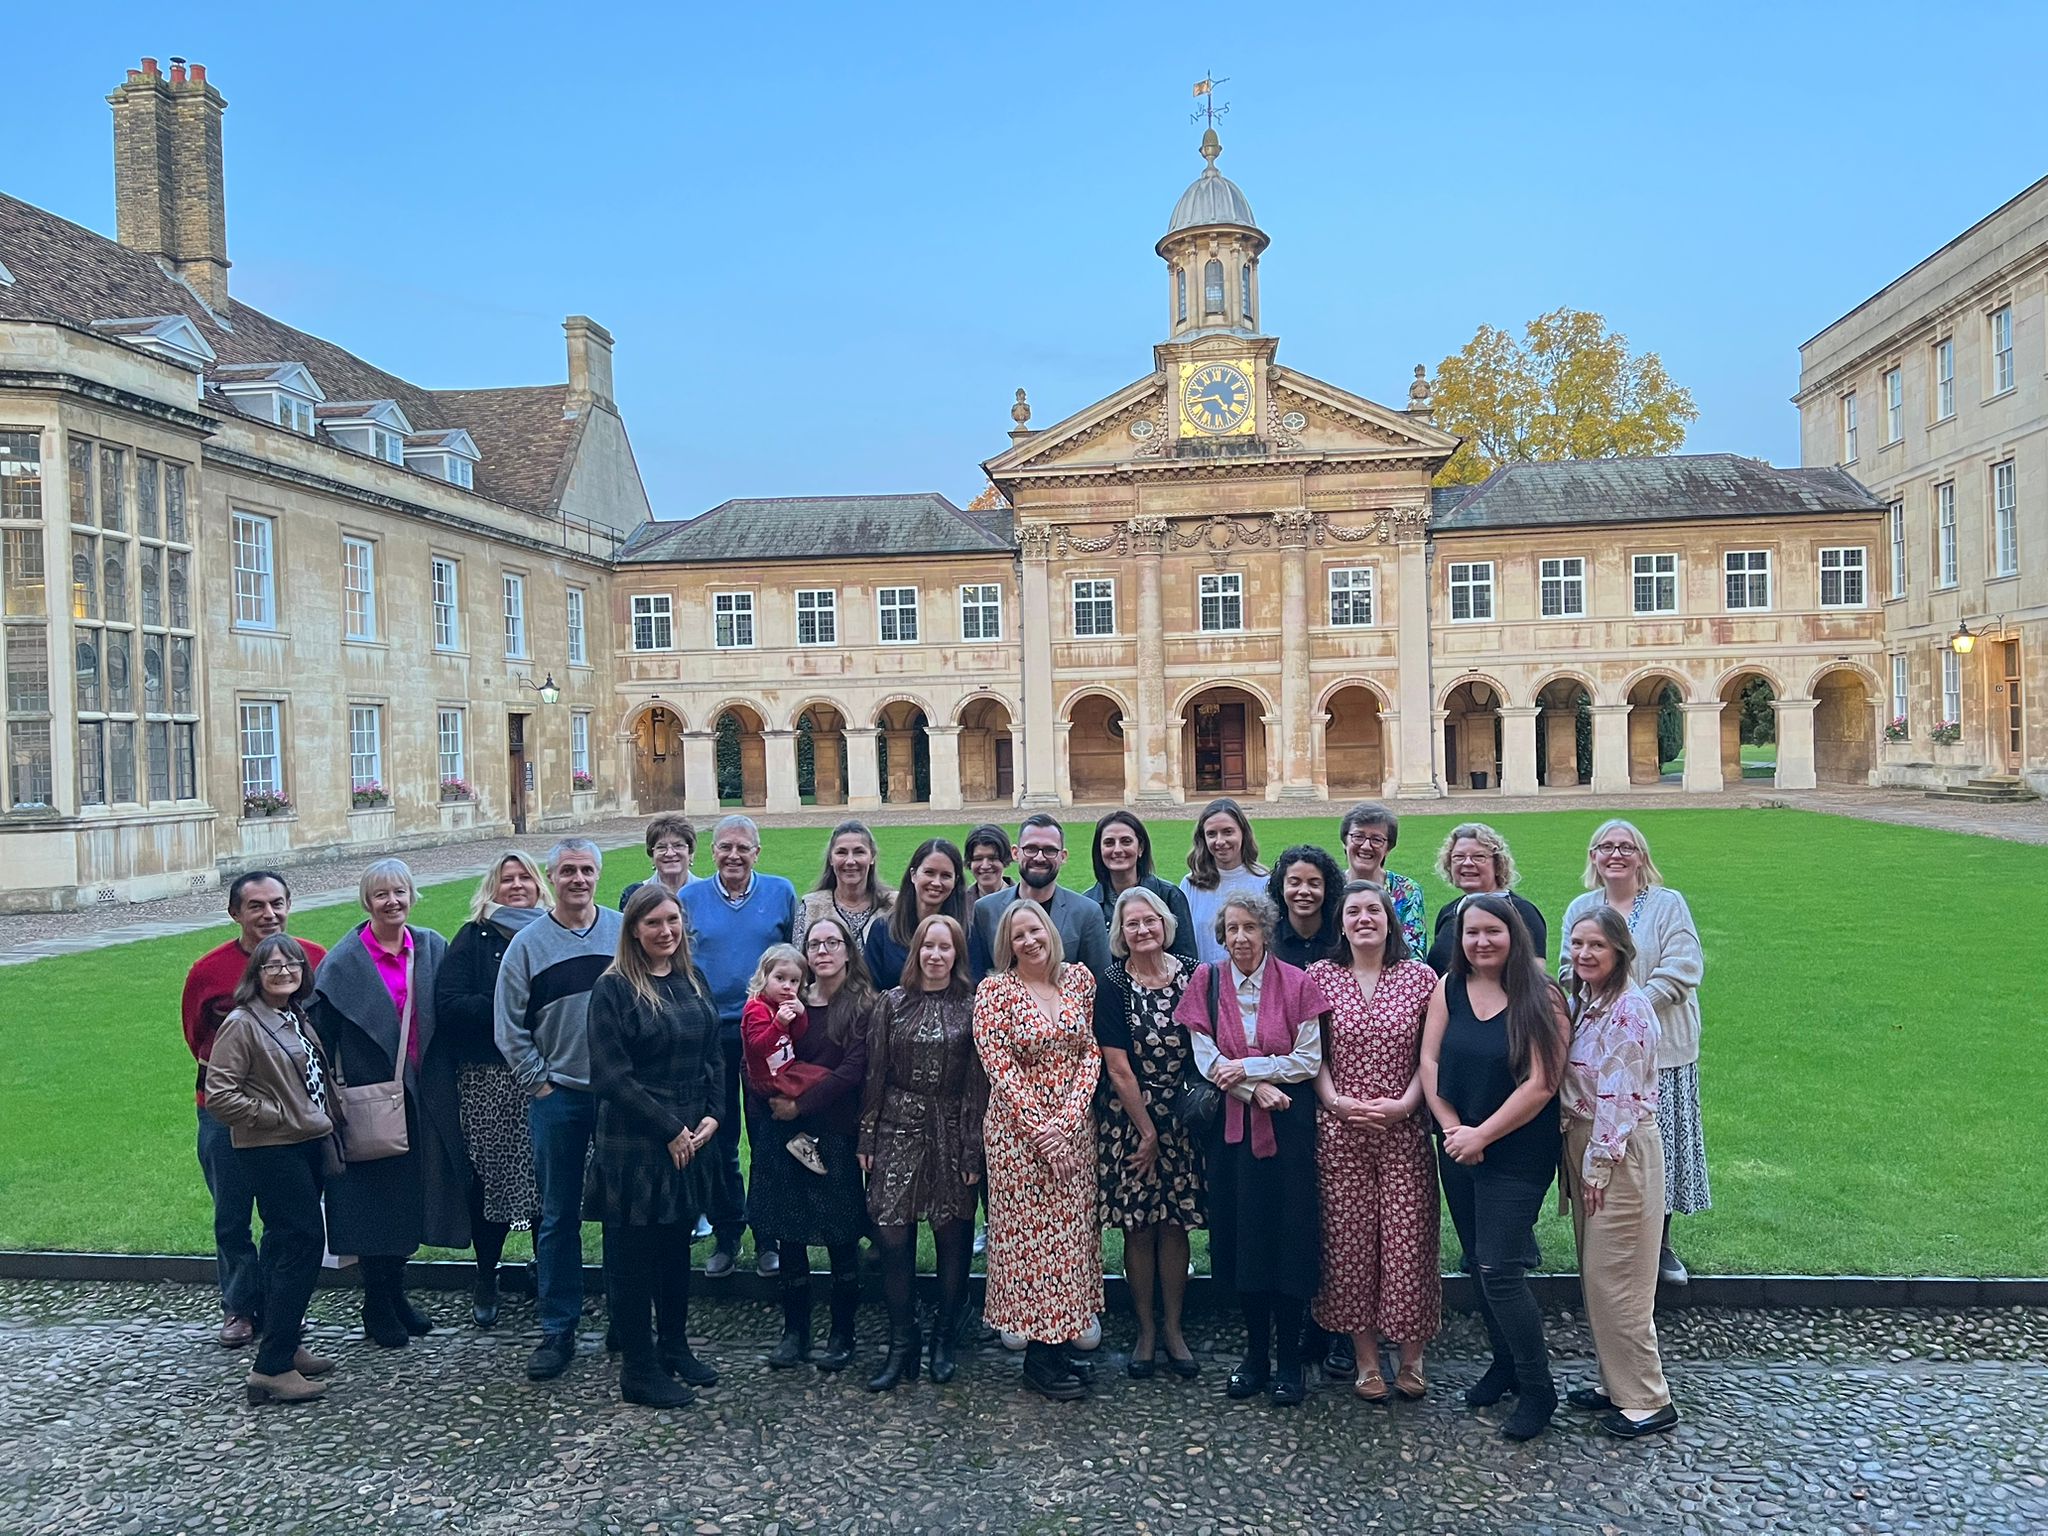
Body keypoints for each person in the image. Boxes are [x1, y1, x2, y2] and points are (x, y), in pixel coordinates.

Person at [1420, 893, 1570, 1442]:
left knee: (1501, 1271)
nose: (1481, 942)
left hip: (1517, 1154)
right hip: (1459, 1147)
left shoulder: (1543, 996)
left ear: (1515, 936)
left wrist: (1483, 1134)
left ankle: (1538, 1389)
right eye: (1471, 933)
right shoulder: (1448, 988)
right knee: (1479, 1262)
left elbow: (1542, 1082)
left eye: (1493, 932)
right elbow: (1430, 1061)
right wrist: (1453, 1128)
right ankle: (1504, 1365)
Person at [1176, 890, 1330, 1408]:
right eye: (1231, 929)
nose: (1240, 937)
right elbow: (1205, 1059)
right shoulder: (1207, 980)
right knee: (1241, 1239)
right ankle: (1255, 1354)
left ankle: (1289, 1359)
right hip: (1232, 1136)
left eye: (1250, 928)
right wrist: (1253, 1088)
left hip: (1288, 1133)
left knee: (1288, 1237)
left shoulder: (1297, 983)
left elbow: (1307, 1059)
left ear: (1267, 931)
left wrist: (1251, 1071)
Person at [310, 858, 463, 1350]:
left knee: (412, 1200)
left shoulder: (432, 947)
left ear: (412, 896)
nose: (392, 902)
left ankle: (395, 1294)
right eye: (381, 895)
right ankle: (377, 1303)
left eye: (399, 892)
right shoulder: (343, 962)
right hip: (370, 1100)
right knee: (376, 1204)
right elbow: (319, 1038)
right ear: (366, 903)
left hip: (425, 1096)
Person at [585, 884, 723, 1408]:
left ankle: (674, 1346)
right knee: (632, 1257)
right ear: (633, 931)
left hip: (691, 1135)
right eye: (653, 924)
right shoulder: (614, 989)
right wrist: (668, 1128)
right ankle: (638, 1368)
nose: (665, 932)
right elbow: (611, 1076)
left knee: (674, 1250)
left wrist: (712, 1116)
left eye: (672, 921)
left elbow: (713, 1053)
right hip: (637, 1140)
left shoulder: (693, 978)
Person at [493, 838, 625, 1381]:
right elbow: (508, 1023)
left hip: (621, 1095)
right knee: (557, 1214)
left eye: (586, 869)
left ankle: (626, 1315)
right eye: (567, 870)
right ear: (554, 877)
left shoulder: (622, 930)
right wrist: (538, 1083)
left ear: (599, 874)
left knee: (624, 1211)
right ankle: (558, 1325)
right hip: (560, 1093)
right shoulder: (528, 943)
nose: (578, 879)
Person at [180, 871, 328, 1347]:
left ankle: (278, 1308)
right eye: (257, 906)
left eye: (277, 903)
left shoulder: (312, 958)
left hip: (293, 1116)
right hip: (225, 1111)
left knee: (285, 1219)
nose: (269, 914)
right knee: (232, 1213)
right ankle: (240, 1307)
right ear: (235, 913)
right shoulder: (208, 970)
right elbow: (198, 1039)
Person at [1306, 881, 1440, 1403]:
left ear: (1391, 920)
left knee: (1409, 1243)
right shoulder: (1321, 977)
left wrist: (1405, 1105)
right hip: (1339, 1129)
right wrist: (1336, 1102)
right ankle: (1366, 1359)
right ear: (1340, 923)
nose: (1364, 919)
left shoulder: (1420, 979)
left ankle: (1411, 1356)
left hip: (1403, 1129)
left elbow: (1431, 1057)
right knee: (1350, 1245)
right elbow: (1309, 1053)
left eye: (1374, 911)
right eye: (1353, 911)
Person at [1560, 818, 1707, 1286]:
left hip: (1662, 1046)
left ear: (1642, 856)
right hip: (1595, 1049)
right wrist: (1601, 1009)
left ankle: (1658, 1244)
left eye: (1626, 846)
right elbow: (1569, 965)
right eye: (1605, 847)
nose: (1615, 854)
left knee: (1653, 1147)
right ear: (1593, 857)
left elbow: (1683, 966)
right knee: (1602, 1135)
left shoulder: (1668, 904)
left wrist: (1630, 1006)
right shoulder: (1582, 906)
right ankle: (1602, 1239)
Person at [202, 935, 339, 1405]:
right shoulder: (242, 1023)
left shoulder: (292, 1014)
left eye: (292, 963)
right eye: (272, 965)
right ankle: (272, 1367)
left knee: (285, 1245)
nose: (284, 971)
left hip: (303, 1143)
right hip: (271, 1148)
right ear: (255, 974)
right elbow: (220, 1094)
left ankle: (287, 1344)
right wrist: (277, 1116)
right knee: (302, 1243)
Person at [975, 902, 1104, 1401]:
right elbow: (999, 1067)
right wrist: (1043, 1133)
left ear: (1049, 931)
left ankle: (1062, 1343)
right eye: (1017, 935)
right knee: (1030, 1246)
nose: (1029, 941)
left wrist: (1067, 1123)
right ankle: (1037, 1359)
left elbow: (1090, 1052)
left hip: (1074, 1130)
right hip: (1017, 1138)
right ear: (1006, 945)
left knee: (1071, 1242)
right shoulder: (995, 992)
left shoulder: (1078, 981)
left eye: (1035, 930)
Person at [1560, 906, 1678, 1439]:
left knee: (1620, 1281)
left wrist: (1598, 1168)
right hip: (1586, 1142)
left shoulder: (1628, 1009)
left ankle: (1649, 1399)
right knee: (1598, 1275)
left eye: (1596, 947)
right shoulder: (1588, 1002)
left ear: (1620, 953)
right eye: (1578, 944)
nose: (1584, 954)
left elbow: (1620, 1098)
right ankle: (1617, 1385)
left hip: (1619, 1151)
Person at [859, 914, 986, 1392]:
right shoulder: (890, 1004)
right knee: (892, 1236)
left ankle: (944, 1337)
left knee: (952, 1236)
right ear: (916, 952)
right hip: (897, 1127)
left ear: (957, 955)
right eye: (928, 946)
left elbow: (978, 1085)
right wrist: (867, 1137)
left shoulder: (972, 1007)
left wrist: (972, 1150)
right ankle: (901, 1339)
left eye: (945, 947)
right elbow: (874, 1074)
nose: (936, 955)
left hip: (951, 1128)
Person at [749, 912, 874, 1374]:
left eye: (832, 943)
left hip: (834, 1131)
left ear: (847, 951)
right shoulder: (783, 1000)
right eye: (815, 944)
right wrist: (773, 1103)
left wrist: (800, 1106)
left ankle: (843, 1332)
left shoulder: (862, 1006)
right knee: (790, 1235)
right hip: (784, 1134)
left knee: (840, 1236)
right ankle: (794, 1331)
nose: (823, 951)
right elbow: (754, 1055)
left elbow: (852, 1072)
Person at [679, 815, 800, 1280]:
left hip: (767, 1034)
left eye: (742, 847)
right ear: (711, 853)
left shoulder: (780, 892)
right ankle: (728, 1233)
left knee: (768, 1137)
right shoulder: (689, 899)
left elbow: (794, 957)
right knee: (719, 1138)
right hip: (711, 1034)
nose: (733, 855)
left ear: (757, 852)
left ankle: (769, 1236)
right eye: (725, 847)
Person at [433, 850, 551, 1329]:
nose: (517, 885)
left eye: (525, 876)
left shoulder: (552, 929)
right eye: (508, 878)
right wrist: (510, 1006)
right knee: (494, 1181)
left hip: (548, 1075)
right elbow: (451, 1005)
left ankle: (548, 1272)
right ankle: (487, 1274)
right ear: (493, 887)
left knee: (549, 1179)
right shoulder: (474, 937)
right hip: (491, 1079)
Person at [1093, 886, 1204, 1380]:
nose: (1142, 930)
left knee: (1175, 1224)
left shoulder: (1194, 975)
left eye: (1150, 921)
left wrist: (1165, 1127)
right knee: (1137, 1225)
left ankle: (1175, 1329)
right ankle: (1145, 1330)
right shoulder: (1112, 981)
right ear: (1121, 933)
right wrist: (1146, 1132)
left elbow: (1207, 1044)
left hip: (1181, 1116)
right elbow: (1116, 1065)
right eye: (1132, 924)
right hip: (1128, 1118)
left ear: (1165, 924)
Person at [967, 814, 1112, 982]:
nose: (1039, 857)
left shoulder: (1087, 912)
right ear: (1015, 853)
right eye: (1031, 849)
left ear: (1063, 856)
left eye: (1050, 850)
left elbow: (1101, 982)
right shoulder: (986, 910)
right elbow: (979, 979)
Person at [739, 945, 832, 1178]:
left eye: (794, 981)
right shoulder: (756, 1009)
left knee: (823, 1076)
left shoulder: (780, 1005)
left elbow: (797, 1034)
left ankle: (802, 1136)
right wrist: (778, 1023)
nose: (787, 986)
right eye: (779, 978)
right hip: (767, 1079)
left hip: (786, 1069)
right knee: (821, 1080)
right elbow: (758, 1046)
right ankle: (802, 1142)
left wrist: (800, 1014)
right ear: (764, 977)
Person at [1425, 823, 1548, 976]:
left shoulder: (1522, 911)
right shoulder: (1449, 911)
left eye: (1478, 857)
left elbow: (1535, 979)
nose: (1467, 863)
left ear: (1498, 864)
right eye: (1458, 857)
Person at [1082, 810, 1198, 968]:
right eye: (1109, 843)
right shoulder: (1088, 905)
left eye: (1126, 841)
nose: (1117, 850)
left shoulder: (1169, 896)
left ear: (1140, 848)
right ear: (1099, 850)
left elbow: (1187, 962)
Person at [863, 837, 968, 990]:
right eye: (929, 872)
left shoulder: (967, 931)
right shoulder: (883, 930)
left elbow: (973, 986)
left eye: (945, 875)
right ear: (913, 874)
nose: (936, 882)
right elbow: (870, 989)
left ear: (955, 880)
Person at [1178, 799, 1269, 968]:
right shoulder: (1190, 884)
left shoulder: (1265, 882)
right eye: (1212, 834)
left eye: (1228, 832)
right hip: (1205, 984)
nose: (1219, 841)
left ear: (1243, 833)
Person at [1339, 802, 1426, 958]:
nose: (1366, 846)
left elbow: (1415, 954)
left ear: (1388, 848)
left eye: (1377, 839)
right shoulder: (1330, 887)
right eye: (1358, 836)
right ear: (1344, 842)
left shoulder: (1406, 891)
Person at [793, 819, 894, 952]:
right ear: (830, 859)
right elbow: (799, 963)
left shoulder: (893, 907)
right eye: (841, 852)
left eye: (859, 852)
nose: (850, 861)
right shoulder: (811, 908)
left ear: (872, 857)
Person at [1268, 844, 1345, 971]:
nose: (1304, 891)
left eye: (1314, 884)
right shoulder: (1268, 939)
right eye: (1294, 883)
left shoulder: (1342, 937)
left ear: (1327, 889)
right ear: (1281, 888)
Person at [619, 815, 696, 909]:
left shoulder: (708, 893)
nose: (670, 853)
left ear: (690, 853)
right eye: (661, 847)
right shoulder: (634, 895)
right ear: (652, 855)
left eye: (678, 845)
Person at [964, 824, 1015, 899]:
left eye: (993, 858)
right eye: (978, 859)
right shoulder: (959, 904)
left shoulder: (1024, 900)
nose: (985, 866)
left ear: (1005, 859)